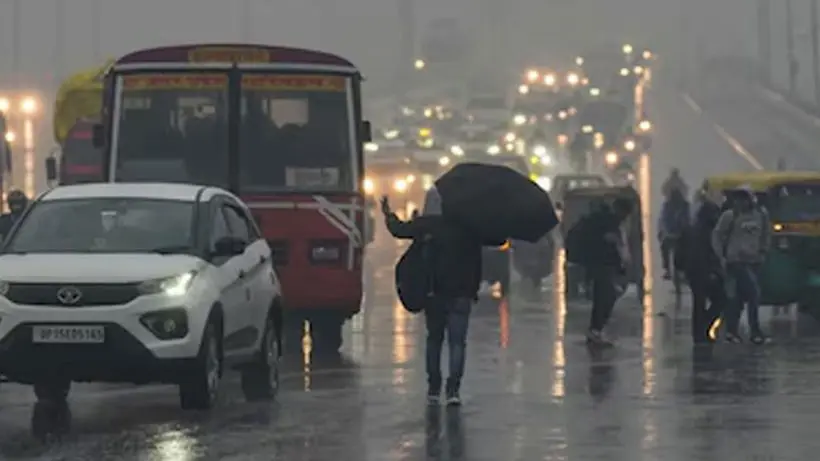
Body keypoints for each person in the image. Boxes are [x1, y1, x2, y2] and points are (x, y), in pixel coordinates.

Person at [381, 187, 501, 405]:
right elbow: (496, 241)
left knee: (434, 340)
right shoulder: (471, 229)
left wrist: (388, 213)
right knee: (457, 343)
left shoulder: (429, 225)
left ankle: (433, 389)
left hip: (434, 293)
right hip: (462, 294)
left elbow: (399, 230)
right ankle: (453, 390)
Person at [570, 197, 635, 346]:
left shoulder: (605, 221)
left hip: (599, 265)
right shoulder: (609, 223)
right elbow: (611, 247)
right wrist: (621, 265)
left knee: (604, 297)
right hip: (602, 266)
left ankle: (595, 331)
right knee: (605, 297)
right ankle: (595, 331)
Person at [711, 186, 771, 344]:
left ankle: (731, 330)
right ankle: (755, 331)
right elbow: (716, 235)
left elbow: (766, 235)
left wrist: (763, 252)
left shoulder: (761, 216)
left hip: (754, 262)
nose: (740, 202)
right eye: (738, 198)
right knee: (754, 294)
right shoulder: (730, 216)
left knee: (737, 299)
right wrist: (721, 257)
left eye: (744, 198)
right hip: (735, 262)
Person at [675, 199, 726, 343]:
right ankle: (702, 329)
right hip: (705, 271)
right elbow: (709, 253)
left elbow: (679, 252)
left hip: (693, 272)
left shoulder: (690, 229)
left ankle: (699, 333)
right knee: (720, 300)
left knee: (699, 303)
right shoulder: (710, 232)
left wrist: (681, 268)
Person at [657, 189, 691, 279]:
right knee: (664, 247)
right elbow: (664, 219)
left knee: (686, 249)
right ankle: (668, 269)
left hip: (681, 233)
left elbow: (688, 219)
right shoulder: (667, 206)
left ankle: (677, 269)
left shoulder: (685, 206)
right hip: (671, 233)